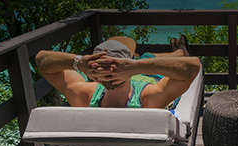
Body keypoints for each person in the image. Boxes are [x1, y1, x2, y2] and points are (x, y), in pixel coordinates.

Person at [36, 36, 201, 109]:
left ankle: (175, 53)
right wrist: (135, 66)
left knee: (145, 58)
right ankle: (181, 52)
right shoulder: (150, 98)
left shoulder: (83, 95)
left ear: (94, 76)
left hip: (129, 73)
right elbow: (193, 66)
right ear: (129, 64)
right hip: (149, 77)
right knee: (146, 58)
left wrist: (79, 63)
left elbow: (41, 60)